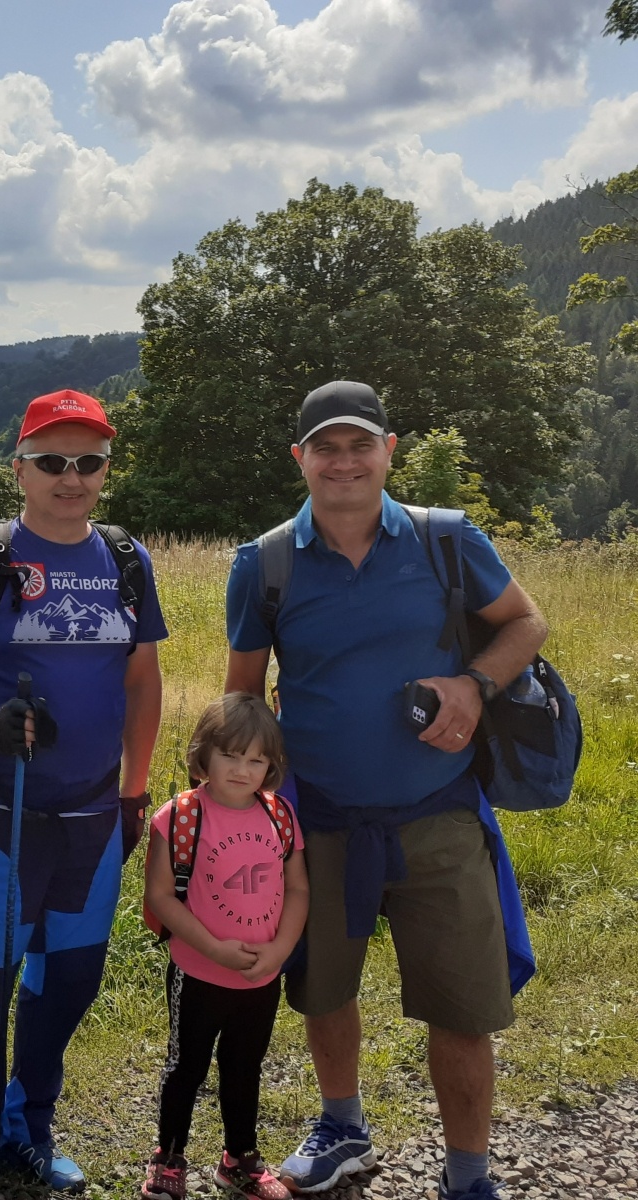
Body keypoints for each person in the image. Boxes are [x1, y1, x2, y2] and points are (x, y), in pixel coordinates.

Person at [225, 381, 548, 1200]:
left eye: (359, 445)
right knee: (322, 991)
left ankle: (468, 1177)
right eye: (325, 448)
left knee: (463, 1010)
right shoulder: (264, 563)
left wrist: (473, 684)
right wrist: (232, 810)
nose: (344, 462)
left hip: (440, 815)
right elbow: (243, 697)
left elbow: (526, 622)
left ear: (389, 451)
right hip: (319, 821)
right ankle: (344, 1129)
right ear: (300, 458)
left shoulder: (447, 539)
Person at [0, 389, 167, 1196]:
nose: (72, 477)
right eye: (53, 461)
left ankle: (29, 1121)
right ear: (20, 468)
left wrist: (134, 794)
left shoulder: (127, 559)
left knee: (68, 980)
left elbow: (144, 681)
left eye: (89, 461)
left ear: (106, 469)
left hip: (93, 814)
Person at [140, 693, 307, 1200]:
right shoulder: (180, 817)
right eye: (231, 755)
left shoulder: (280, 815)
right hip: (197, 974)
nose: (242, 769)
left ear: (272, 765)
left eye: (256, 759)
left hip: (261, 976)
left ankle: (239, 1160)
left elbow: (298, 889)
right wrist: (213, 949)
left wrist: (280, 951)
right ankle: (169, 1158)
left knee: (244, 1068)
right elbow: (159, 896)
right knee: (185, 1068)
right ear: (203, 754)